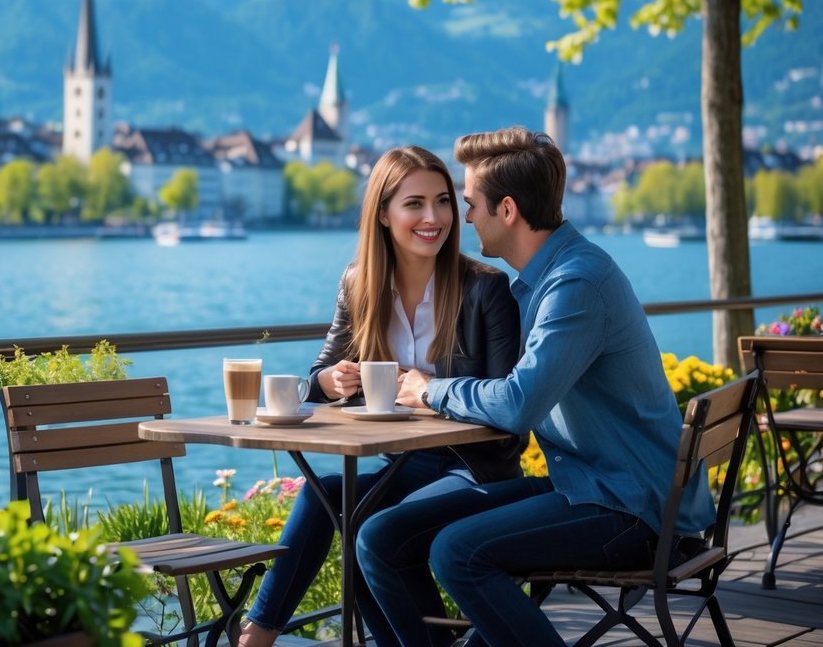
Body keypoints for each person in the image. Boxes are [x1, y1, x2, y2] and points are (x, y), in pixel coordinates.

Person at [357, 127, 716, 647]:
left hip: (632, 510)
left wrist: (431, 389)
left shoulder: (576, 285)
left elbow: (519, 403)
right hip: (593, 485)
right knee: (380, 536)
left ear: (506, 210)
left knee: (457, 552)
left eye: (470, 203)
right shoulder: (549, 278)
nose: (466, 217)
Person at [239, 146, 525, 647]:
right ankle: (259, 631)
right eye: (414, 204)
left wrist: (429, 393)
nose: (433, 218)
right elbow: (318, 376)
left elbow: (508, 419)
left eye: (442, 201)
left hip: (473, 467)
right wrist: (330, 384)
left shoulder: (486, 289)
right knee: (326, 494)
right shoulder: (359, 285)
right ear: (384, 213)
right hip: (403, 464)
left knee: (371, 526)